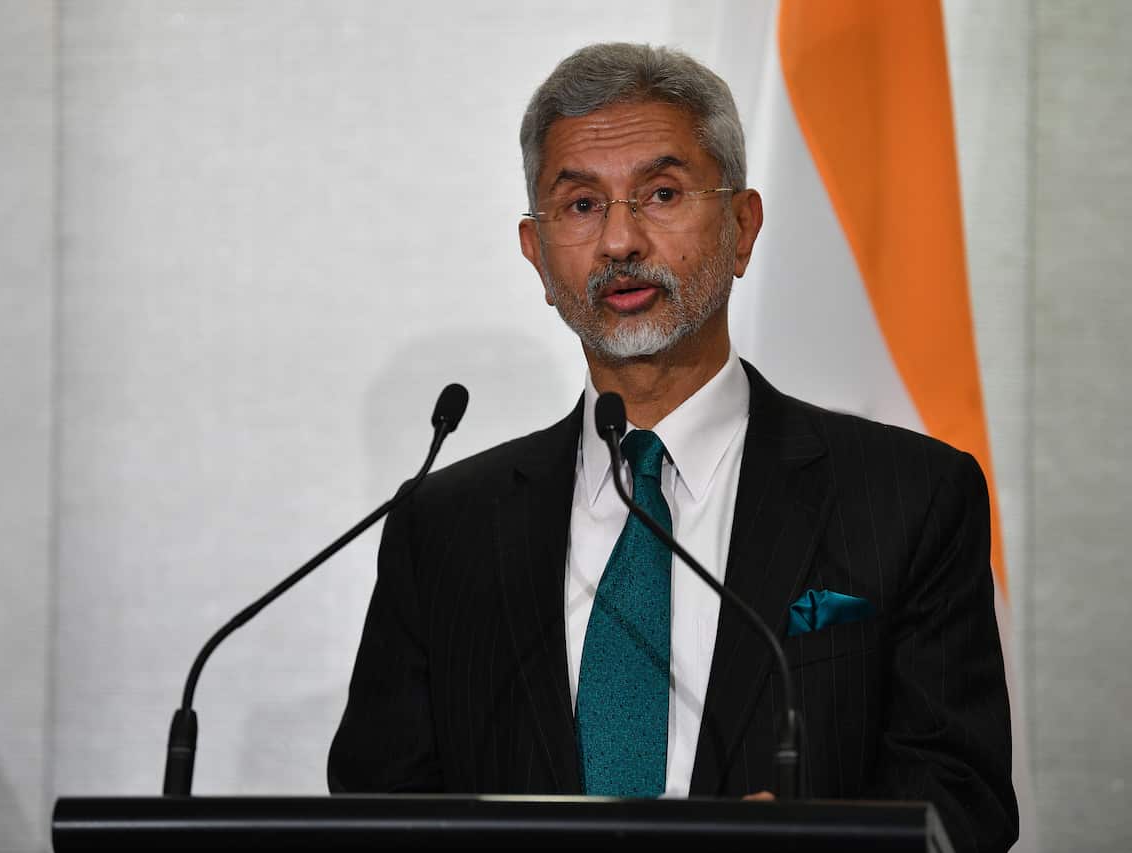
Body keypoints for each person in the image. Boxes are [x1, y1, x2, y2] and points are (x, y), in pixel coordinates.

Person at [329, 42, 1018, 852]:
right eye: (581, 205)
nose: (620, 240)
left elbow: (962, 795)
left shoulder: (909, 497)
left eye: (661, 193)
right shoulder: (443, 526)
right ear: (537, 254)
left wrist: (817, 841)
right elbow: (379, 802)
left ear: (742, 226)